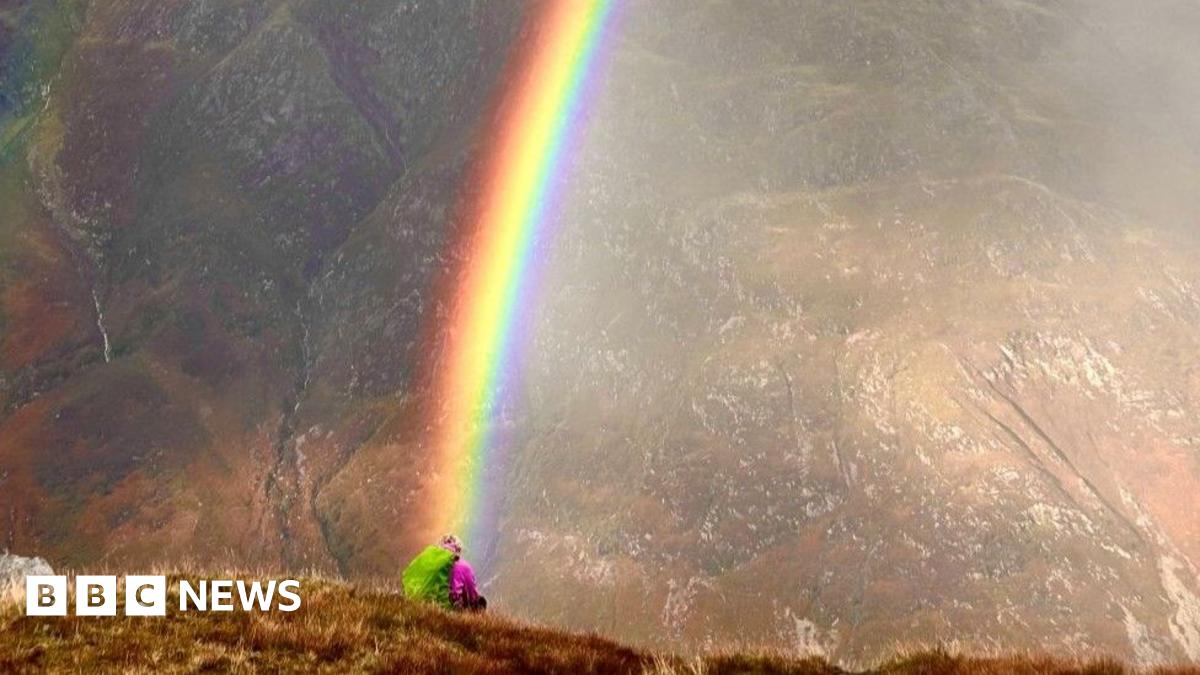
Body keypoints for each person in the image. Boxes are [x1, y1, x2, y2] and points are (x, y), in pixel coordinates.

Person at [402, 534, 487, 612]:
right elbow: (472, 595)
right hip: (446, 610)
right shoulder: (463, 566)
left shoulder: (430, 561)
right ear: (458, 549)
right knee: (480, 602)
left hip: (417, 605)